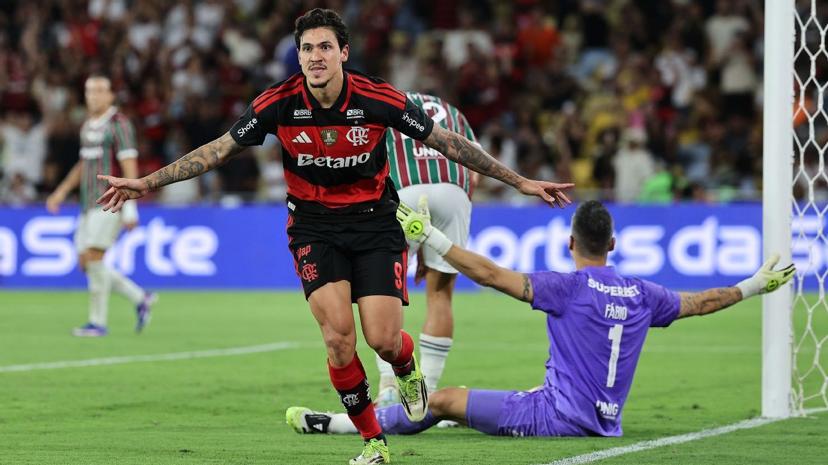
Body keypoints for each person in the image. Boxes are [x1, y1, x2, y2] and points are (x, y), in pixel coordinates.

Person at [95, 9, 572, 464]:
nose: (315, 57)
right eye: (307, 49)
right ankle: (373, 441)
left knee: (384, 340)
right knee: (339, 340)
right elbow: (218, 151)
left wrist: (520, 182)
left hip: (375, 222)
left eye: (325, 47)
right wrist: (145, 183)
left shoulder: (377, 98)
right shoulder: (277, 103)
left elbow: (447, 143)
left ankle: (406, 370)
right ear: (299, 56)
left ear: (344, 52)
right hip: (313, 228)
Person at [286, 199, 794, 439]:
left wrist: (431, 238)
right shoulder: (643, 294)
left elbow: (490, 274)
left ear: (571, 243)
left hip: (555, 417)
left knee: (438, 402)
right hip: (605, 419)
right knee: (491, 401)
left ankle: (334, 424)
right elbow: (701, 302)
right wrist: (754, 284)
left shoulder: (567, 288)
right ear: (613, 244)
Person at [374, 93, 477, 411]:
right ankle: (426, 394)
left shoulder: (382, 103)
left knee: (382, 292)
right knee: (440, 296)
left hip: (402, 190)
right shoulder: (453, 111)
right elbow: (474, 167)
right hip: (453, 191)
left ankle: (389, 387)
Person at [46, 75, 156, 337]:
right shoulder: (87, 125)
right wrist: (61, 191)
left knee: (94, 258)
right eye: (89, 91)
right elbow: (83, 163)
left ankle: (97, 323)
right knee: (86, 262)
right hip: (87, 203)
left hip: (110, 202)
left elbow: (129, 164)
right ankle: (140, 297)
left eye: (99, 91)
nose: (93, 96)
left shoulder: (119, 124)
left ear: (110, 95)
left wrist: (131, 207)